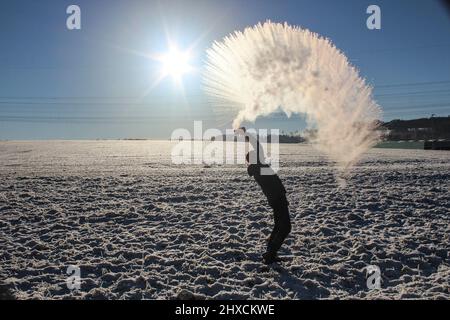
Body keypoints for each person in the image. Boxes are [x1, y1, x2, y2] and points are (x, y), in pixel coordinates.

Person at [245, 148, 292, 265]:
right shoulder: (258, 168)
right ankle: (270, 254)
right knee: (285, 227)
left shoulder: (258, 167)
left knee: (278, 226)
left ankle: (270, 253)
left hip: (277, 198)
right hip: (277, 199)